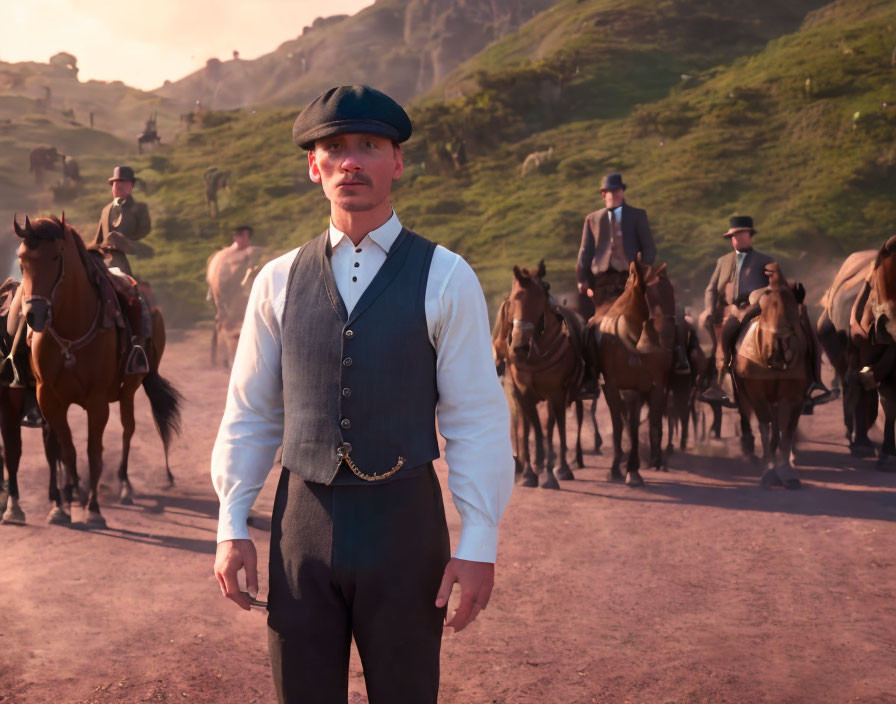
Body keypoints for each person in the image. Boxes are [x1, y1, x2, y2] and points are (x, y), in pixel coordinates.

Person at [211, 85, 514, 704]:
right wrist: (229, 522)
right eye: (335, 148)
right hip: (302, 529)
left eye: (369, 146)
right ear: (314, 166)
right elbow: (250, 413)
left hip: (405, 530)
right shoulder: (275, 281)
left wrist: (480, 541)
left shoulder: (446, 275)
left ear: (395, 163)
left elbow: (475, 419)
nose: (351, 161)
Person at [700, 216, 830, 406]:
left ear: (749, 235)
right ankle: (719, 381)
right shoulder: (724, 261)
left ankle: (814, 381)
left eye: (739, 234)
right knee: (721, 337)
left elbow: (779, 285)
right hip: (734, 309)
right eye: (733, 236)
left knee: (804, 328)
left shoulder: (766, 261)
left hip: (762, 306)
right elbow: (711, 288)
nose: (735, 239)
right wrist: (710, 309)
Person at [575, 172, 689, 371]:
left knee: (666, 310)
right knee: (587, 324)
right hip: (603, 284)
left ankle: (679, 354)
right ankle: (588, 372)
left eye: (616, 190)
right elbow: (585, 253)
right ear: (603, 194)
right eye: (608, 191)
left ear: (622, 192)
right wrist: (581, 279)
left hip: (633, 279)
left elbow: (649, 248)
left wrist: (641, 270)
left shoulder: (637, 215)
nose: (613, 195)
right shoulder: (592, 219)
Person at [92, 165, 152, 276]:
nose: (119, 185)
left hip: (129, 263)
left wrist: (126, 243)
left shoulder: (140, 208)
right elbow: (98, 240)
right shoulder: (106, 210)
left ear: (131, 185)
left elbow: (145, 232)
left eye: (123, 182)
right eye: (116, 182)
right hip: (107, 264)